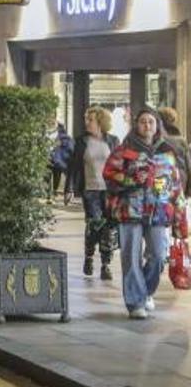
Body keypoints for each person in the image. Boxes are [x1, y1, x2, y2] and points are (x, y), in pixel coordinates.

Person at [103, 108, 183, 319]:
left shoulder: (167, 151)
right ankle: (135, 302)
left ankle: (145, 291)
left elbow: (176, 184)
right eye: (143, 122)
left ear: (157, 125)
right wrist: (131, 179)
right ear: (136, 125)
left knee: (158, 256)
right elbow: (109, 173)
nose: (147, 126)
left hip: (159, 211)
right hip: (130, 210)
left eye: (151, 122)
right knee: (130, 256)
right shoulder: (124, 150)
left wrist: (179, 213)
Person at [69, 107, 119, 280]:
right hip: (90, 191)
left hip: (109, 191)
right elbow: (74, 166)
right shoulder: (82, 141)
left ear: (100, 121)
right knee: (94, 225)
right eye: (86, 119)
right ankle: (89, 256)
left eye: (90, 119)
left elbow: (120, 165)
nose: (86, 122)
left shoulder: (113, 140)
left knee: (109, 229)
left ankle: (106, 265)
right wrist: (69, 188)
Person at [48, 120, 74, 204]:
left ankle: (54, 192)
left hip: (57, 159)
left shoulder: (63, 135)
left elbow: (67, 143)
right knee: (47, 176)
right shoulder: (44, 132)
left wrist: (61, 144)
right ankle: (48, 194)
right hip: (47, 157)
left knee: (57, 175)